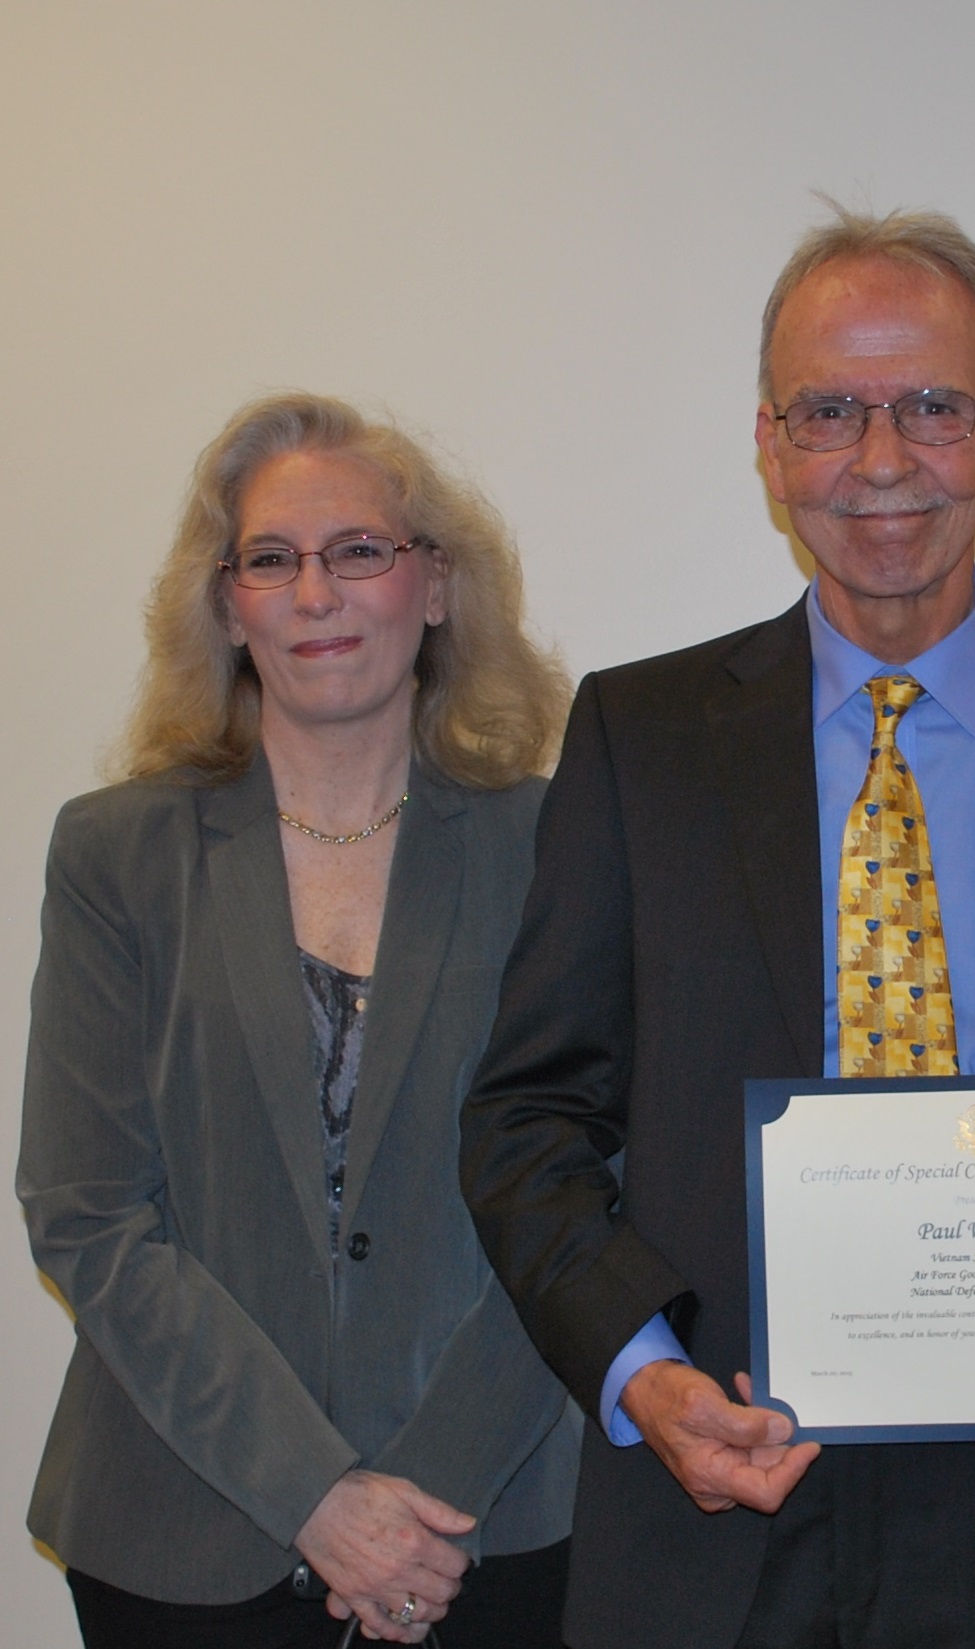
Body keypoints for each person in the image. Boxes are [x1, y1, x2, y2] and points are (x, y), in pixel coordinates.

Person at [458, 206, 975, 1649]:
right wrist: (644, 1375)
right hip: (715, 1509)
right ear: (770, 448)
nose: (883, 461)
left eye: (934, 408)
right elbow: (529, 1117)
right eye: (830, 411)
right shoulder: (640, 739)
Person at [17, 392, 580, 1647]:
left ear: (433, 584)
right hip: (176, 1534)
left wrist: (426, 1496)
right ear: (226, 605)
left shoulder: (557, 846)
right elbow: (87, 1208)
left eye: (359, 551)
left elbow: (593, 1191)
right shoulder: (116, 853)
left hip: (492, 1527)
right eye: (271, 559)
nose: (315, 592)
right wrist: (314, 1491)